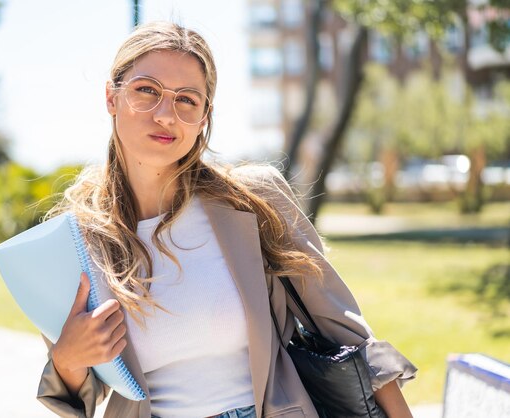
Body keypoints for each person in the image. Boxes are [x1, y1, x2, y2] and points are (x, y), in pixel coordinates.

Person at [36, 21, 417, 418]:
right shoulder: (79, 240)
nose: (166, 114)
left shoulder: (254, 200)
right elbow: (80, 393)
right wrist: (68, 357)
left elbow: (347, 331)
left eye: (187, 99)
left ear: (204, 116)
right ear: (111, 98)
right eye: (147, 90)